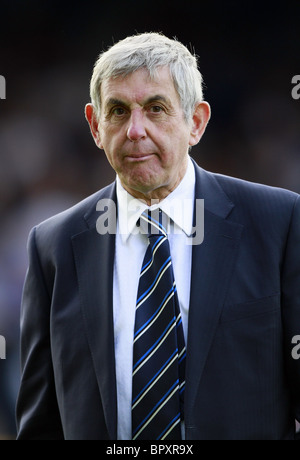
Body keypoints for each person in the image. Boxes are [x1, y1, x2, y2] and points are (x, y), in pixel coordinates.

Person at [16, 32, 300, 440]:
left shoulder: (279, 223)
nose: (135, 130)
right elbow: (40, 425)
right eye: (117, 110)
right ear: (95, 126)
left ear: (195, 123)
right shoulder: (52, 246)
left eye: (156, 108)